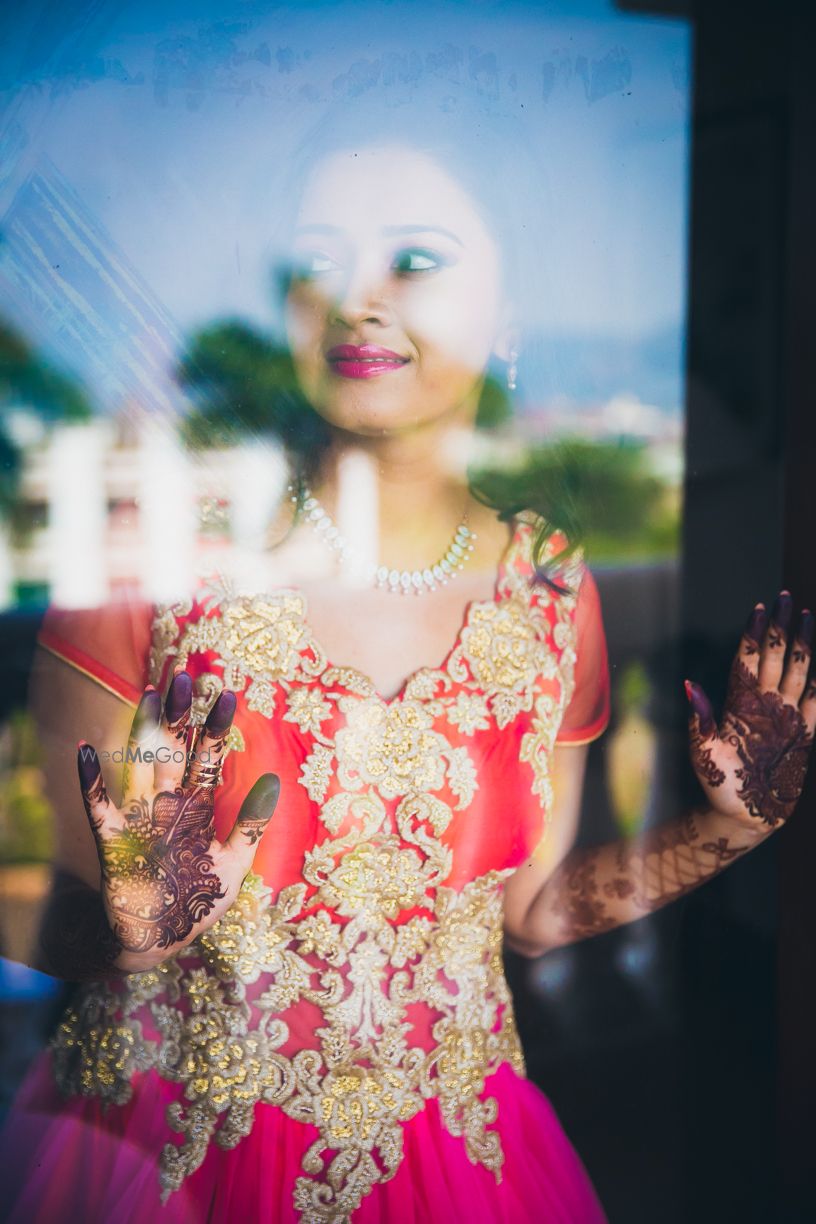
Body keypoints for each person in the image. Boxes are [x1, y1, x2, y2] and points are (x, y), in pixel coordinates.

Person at [1, 99, 813, 1224]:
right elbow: (24, 908)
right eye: (318, 261)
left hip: (459, 1167)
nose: (357, 295)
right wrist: (137, 939)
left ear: (509, 311)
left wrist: (729, 830)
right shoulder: (158, 555)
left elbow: (528, 913)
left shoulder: (548, 587)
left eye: (415, 258)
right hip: (166, 1160)